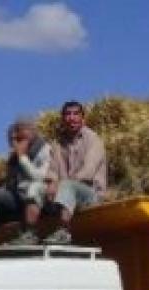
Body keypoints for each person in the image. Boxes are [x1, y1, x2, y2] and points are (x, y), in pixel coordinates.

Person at [0, 116, 52, 246]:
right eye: (15, 138)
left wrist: (22, 157)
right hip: (19, 196)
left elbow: (40, 177)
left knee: (32, 189)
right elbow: (12, 183)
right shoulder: (14, 157)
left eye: (21, 136)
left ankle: (29, 234)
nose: (17, 141)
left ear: (32, 132)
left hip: (39, 197)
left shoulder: (44, 150)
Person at [44, 100, 107, 244]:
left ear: (83, 119)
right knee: (36, 189)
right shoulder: (58, 144)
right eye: (67, 114)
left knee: (67, 185)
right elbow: (51, 171)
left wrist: (59, 184)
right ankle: (29, 232)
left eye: (75, 114)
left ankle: (64, 231)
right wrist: (50, 183)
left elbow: (87, 173)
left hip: (91, 195)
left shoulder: (93, 140)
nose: (71, 118)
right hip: (64, 193)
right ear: (62, 119)